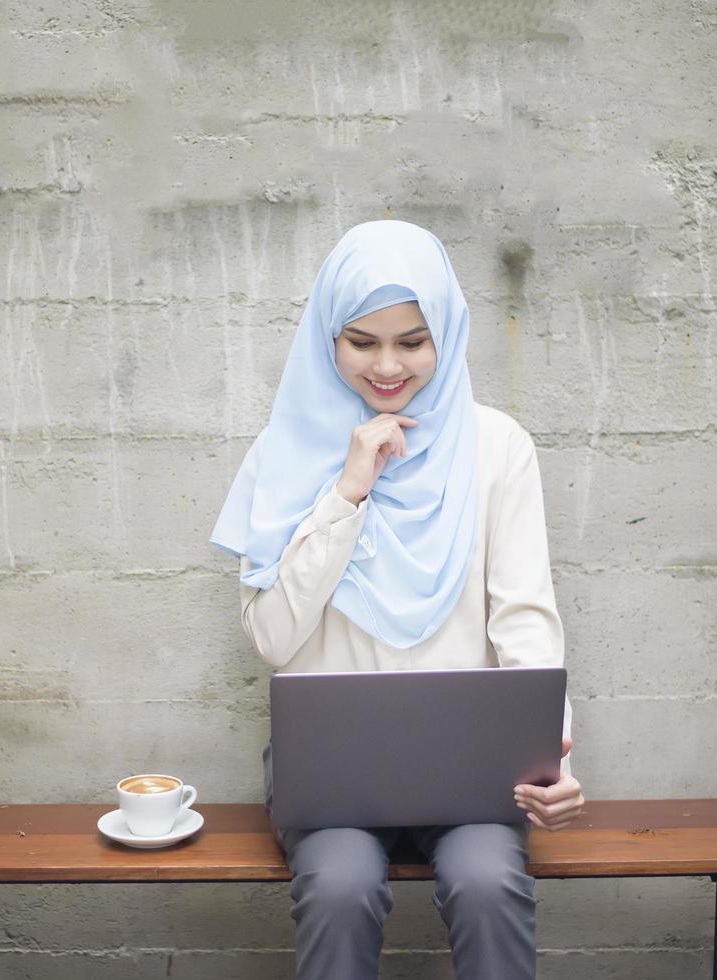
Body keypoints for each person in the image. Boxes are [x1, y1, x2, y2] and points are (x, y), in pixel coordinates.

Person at [209, 219, 584, 980]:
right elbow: (274, 638)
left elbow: (525, 622)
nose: (387, 365)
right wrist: (347, 491)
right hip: (333, 778)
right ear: (328, 338)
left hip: (473, 771)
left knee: (488, 881)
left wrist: (554, 759)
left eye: (412, 341)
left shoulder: (497, 447)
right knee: (339, 885)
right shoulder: (282, 455)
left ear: (444, 331)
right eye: (362, 341)